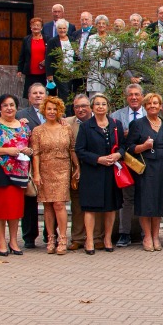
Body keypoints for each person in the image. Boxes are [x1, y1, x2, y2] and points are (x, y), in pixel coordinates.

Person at [0, 94, 31, 257]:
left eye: (12, 105)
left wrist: (28, 151)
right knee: (1, 208)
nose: (9, 108)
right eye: (5, 105)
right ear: (0, 108)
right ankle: (2, 241)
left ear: (17, 107)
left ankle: (14, 241)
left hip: (20, 172)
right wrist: (6, 151)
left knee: (16, 209)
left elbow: (29, 147)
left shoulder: (24, 126)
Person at [76, 94, 124, 254]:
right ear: (92, 107)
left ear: (108, 107)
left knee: (111, 207)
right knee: (90, 208)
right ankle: (89, 240)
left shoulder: (116, 124)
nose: (101, 107)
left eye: (104, 104)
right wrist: (98, 159)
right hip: (93, 172)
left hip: (111, 171)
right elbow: (80, 151)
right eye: (97, 104)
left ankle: (107, 238)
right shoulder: (85, 126)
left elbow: (124, 147)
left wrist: (118, 155)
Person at [30, 95, 76, 254]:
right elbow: (35, 153)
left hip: (63, 168)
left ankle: (63, 238)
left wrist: (77, 167)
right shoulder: (37, 131)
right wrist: (36, 173)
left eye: (54, 109)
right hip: (44, 168)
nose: (51, 111)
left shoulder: (66, 128)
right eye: (48, 109)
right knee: (47, 204)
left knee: (59, 204)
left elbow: (72, 149)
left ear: (59, 111)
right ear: (43, 110)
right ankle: (51, 237)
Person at [127, 92, 163, 252]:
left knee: (159, 202)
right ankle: (146, 236)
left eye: (156, 103)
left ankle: (155, 235)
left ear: (160, 106)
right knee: (146, 203)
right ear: (145, 106)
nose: (153, 106)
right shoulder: (138, 124)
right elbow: (130, 147)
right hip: (146, 169)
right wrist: (144, 146)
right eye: (149, 103)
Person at [111, 84, 148, 247]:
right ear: (126, 97)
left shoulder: (151, 113)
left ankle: (145, 233)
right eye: (130, 94)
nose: (134, 97)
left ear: (142, 96)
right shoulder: (116, 116)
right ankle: (124, 233)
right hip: (125, 163)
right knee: (127, 199)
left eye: (137, 94)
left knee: (145, 198)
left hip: (147, 163)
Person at [16, 84, 51, 251]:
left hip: (51, 164)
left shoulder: (56, 113)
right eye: (35, 93)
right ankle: (29, 236)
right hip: (28, 164)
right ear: (29, 97)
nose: (38, 96)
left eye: (41, 93)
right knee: (29, 200)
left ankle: (50, 233)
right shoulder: (21, 115)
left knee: (51, 200)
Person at [63, 94, 92, 251]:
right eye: (77, 107)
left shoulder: (101, 120)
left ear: (90, 106)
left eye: (84, 106)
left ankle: (95, 237)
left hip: (95, 168)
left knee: (95, 206)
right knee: (77, 206)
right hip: (75, 171)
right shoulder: (66, 123)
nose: (81, 109)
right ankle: (78, 238)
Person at [19, 17, 48, 94]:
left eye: (38, 25)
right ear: (30, 27)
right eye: (34, 25)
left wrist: (46, 60)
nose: (36, 27)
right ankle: (31, 106)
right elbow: (22, 55)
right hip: (30, 72)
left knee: (43, 92)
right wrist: (20, 69)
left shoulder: (47, 39)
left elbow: (50, 54)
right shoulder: (26, 39)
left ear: (41, 27)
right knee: (30, 92)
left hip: (43, 72)